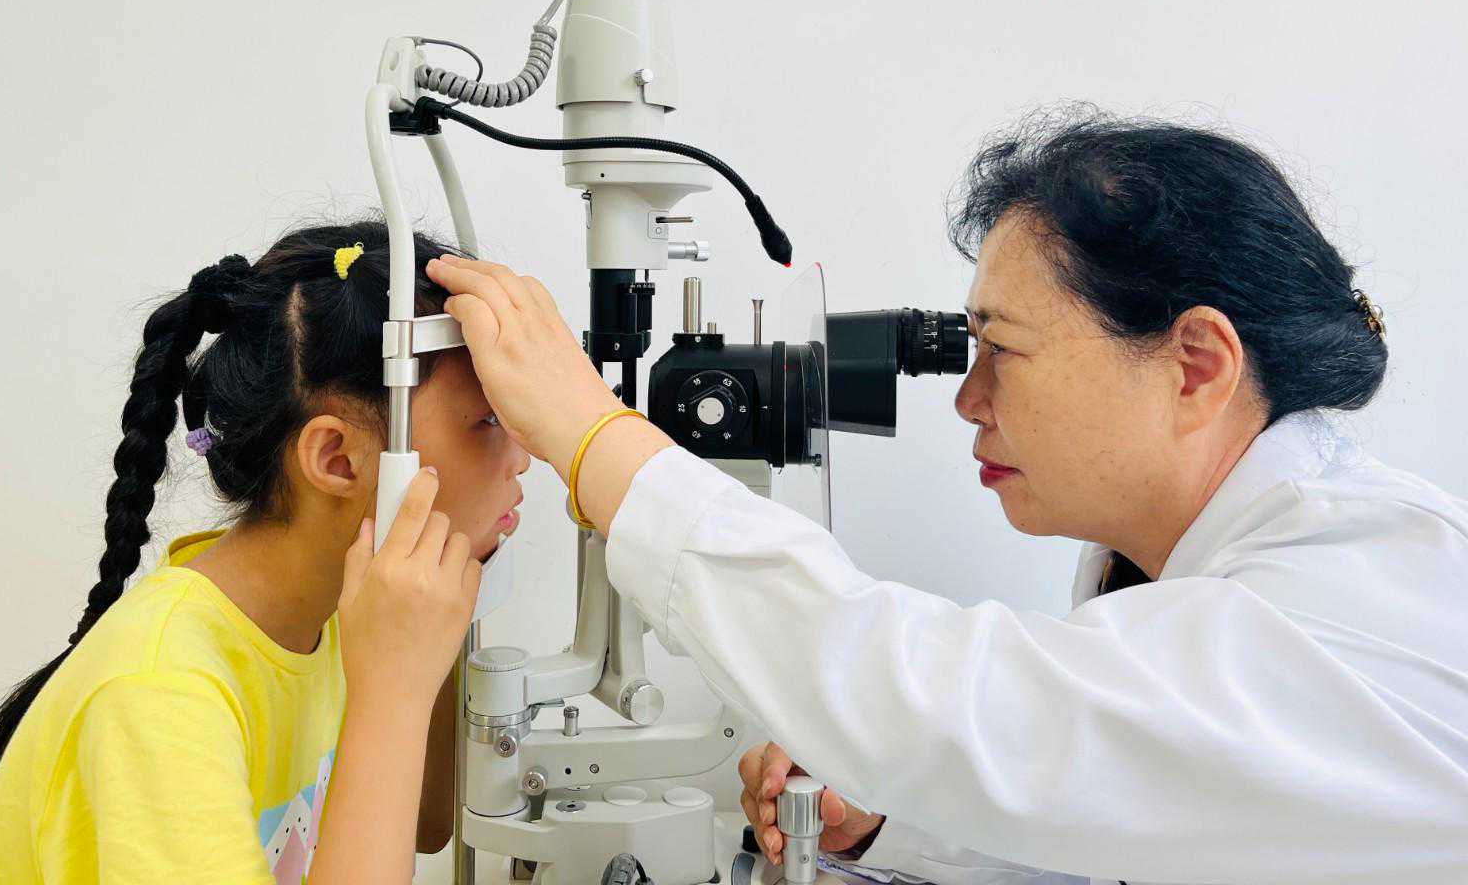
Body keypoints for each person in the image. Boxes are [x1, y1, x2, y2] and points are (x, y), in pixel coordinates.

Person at [425, 112, 1468, 884]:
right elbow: (1137, 825)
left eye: (1002, 349)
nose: (969, 399)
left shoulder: (1355, 603)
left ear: (1194, 365)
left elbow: (939, 699)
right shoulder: (1190, 576)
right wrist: (890, 824)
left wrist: (594, 435)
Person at [0, 221, 530, 884]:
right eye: (488, 422)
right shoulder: (160, 694)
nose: (523, 457)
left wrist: (437, 626)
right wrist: (395, 688)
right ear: (337, 458)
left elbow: (427, 822)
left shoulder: (342, 613)